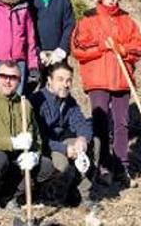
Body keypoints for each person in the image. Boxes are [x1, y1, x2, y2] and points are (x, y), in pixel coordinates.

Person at [71, 0, 141, 187]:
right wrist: (101, 46)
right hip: (98, 79)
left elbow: (140, 46)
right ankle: (103, 166)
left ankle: (122, 166)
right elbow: (77, 48)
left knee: (121, 124)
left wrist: (123, 50)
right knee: (101, 124)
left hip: (122, 80)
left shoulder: (127, 20)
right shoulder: (89, 18)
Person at [0, 61, 55, 212]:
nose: (8, 81)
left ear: (19, 81)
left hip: (16, 161)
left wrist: (34, 155)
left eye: (13, 77)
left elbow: (36, 139)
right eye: (3, 76)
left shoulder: (25, 105)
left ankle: (9, 196)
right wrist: (12, 143)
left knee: (46, 166)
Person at [29, 62, 98, 211]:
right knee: (61, 163)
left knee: (93, 143)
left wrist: (82, 139)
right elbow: (39, 137)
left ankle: (84, 193)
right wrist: (63, 148)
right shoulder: (37, 101)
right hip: (47, 145)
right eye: (60, 79)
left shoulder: (69, 101)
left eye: (68, 80)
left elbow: (81, 123)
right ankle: (60, 194)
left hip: (64, 141)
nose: (65, 84)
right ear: (49, 80)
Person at [25, 0, 74, 83]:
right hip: (33, 56)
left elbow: (69, 25)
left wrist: (62, 49)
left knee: (58, 90)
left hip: (57, 57)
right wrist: (36, 51)